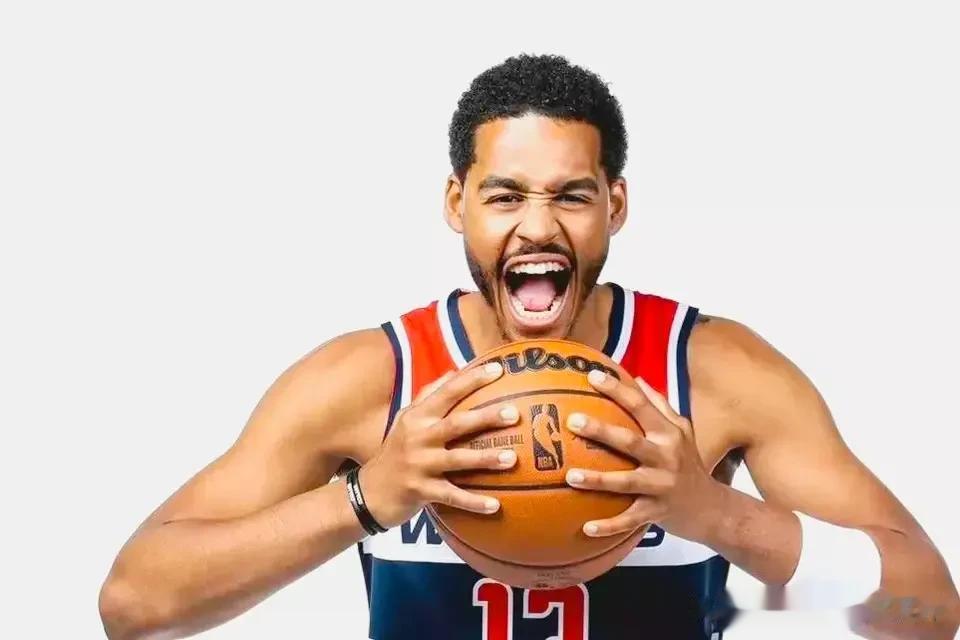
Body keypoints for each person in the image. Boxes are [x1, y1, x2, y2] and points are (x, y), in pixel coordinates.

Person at [98, 54, 959, 640]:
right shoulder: (370, 378)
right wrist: (367, 497)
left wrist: (712, 514)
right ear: (457, 204)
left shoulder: (714, 371)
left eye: (572, 197)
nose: (538, 227)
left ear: (615, 206)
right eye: (505, 196)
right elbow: (134, 605)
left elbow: (929, 610)